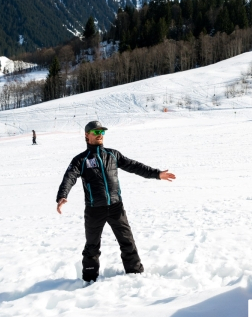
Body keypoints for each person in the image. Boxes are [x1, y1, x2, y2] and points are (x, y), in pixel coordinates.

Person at [56, 120, 175, 282]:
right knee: (92, 246)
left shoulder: (112, 155)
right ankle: (89, 279)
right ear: (87, 135)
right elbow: (69, 177)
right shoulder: (80, 160)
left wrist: (157, 174)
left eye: (102, 132)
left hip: (116, 207)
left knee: (127, 241)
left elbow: (134, 166)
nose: (100, 135)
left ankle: (135, 274)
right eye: (96, 132)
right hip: (94, 209)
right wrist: (63, 195)